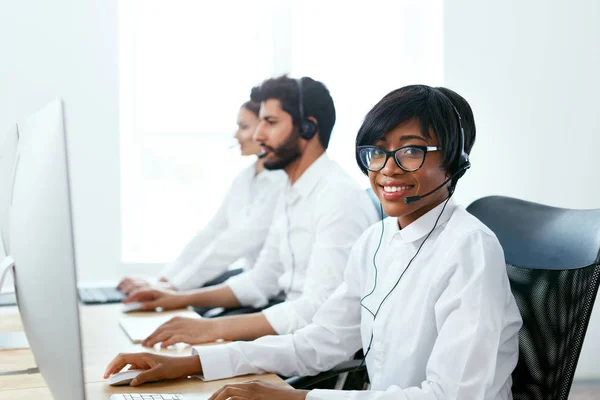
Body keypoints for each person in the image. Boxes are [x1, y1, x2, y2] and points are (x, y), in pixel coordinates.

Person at [105, 84, 523, 400]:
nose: (387, 169)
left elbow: (455, 397)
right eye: (375, 152)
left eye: (410, 151)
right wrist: (189, 362)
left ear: (455, 159)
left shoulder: (469, 250)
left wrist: (298, 398)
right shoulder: (376, 241)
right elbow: (319, 342)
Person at [118, 75, 379, 347]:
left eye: (271, 123)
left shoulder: (338, 198)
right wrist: (178, 298)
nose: (257, 135)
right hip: (287, 334)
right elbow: (261, 278)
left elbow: (316, 311)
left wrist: (211, 327)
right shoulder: (292, 191)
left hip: (312, 352)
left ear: (307, 128)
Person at [117, 100, 286, 294]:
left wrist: (173, 287)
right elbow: (212, 232)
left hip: (273, 293)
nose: (236, 135)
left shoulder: (281, 182)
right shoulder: (245, 177)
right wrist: (163, 280)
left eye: (244, 127)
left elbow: (234, 243)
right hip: (250, 278)